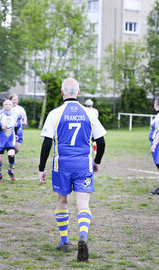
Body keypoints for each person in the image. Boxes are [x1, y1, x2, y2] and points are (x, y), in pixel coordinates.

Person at [38, 78, 106, 261]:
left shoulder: (55, 113)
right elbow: (101, 141)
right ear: (78, 92)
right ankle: (83, 234)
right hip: (83, 165)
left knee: (62, 200)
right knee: (83, 202)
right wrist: (97, 161)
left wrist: (41, 168)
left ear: (62, 93)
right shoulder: (90, 114)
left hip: (62, 166)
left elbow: (46, 143)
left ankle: (65, 241)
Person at [0, 100, 18, 182]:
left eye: (9, 104)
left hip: (10, 140)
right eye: (6, 104)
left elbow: (15, 127)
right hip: (1, 141)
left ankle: (10, 171)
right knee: (0, 160)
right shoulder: (0, 115)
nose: (8, 106)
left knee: (11, 156)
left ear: (12, 106)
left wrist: (16, 134)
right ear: (3, 106)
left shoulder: (14, 115)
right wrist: (1, 128)